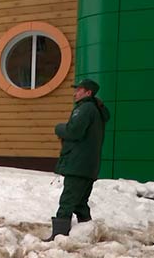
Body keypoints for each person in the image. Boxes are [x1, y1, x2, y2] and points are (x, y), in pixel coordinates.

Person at [45, 78, 110, 241]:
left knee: (68, 200)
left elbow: (74, 132)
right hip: (88, 165)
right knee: (80, 203)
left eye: (79, 90)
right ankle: (87, 233)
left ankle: (58, 236)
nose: (75, 93)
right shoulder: (95, 109)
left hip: (78, 164)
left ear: (88, 92)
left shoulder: (85, 109)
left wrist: (59, 128)